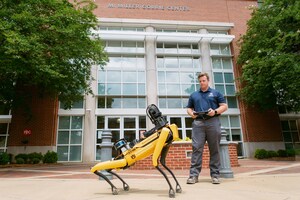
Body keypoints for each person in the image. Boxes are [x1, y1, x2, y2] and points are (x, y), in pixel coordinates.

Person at [186, 72, 228, 184]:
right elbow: (189, 108)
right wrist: (192, 114)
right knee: (196, 149)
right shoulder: (194, 95)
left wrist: (214, 112)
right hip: (198, 123)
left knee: (214, 149)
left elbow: (224, 106)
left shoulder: (215, 93)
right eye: (200, 81)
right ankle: (193, 176)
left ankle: (215, 175)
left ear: (208, 80)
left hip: (213, 122)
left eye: (203, 80)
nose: (201, 83)